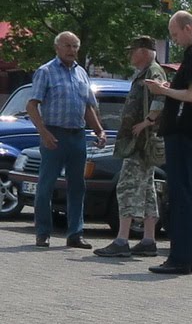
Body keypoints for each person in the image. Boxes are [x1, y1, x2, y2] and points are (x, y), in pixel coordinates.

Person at [143, 11, 192, 275]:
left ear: (188, 28)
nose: (175, 40)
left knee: (182, 196)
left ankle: (180, 258)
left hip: (184, 132)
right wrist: (169, 87)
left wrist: (162, 90)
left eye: (175, 35)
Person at [25, 31, 108, 249]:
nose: (71, 50)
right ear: (57, 48)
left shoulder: (81, 73)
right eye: (67, 46)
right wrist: (43, 132)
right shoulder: (46, 71)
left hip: (77, 136)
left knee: (77, 186)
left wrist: (99, 131)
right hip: (54, 134)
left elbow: (88, 106)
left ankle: (75, 234)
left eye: (74, 46)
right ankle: (43, 233)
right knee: (46, 185)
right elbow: (32, 105)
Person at [94, 36, 167, 258]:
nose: (130, 55)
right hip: (140, 141)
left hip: (141, 142)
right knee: (146, 191)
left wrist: (148, 121)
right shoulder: (146, 72)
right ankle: (148, 240)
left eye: (133, 50)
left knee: (126, 186)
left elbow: (161, 98)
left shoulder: (153, 72)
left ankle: (122, 240)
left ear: (144, 51)